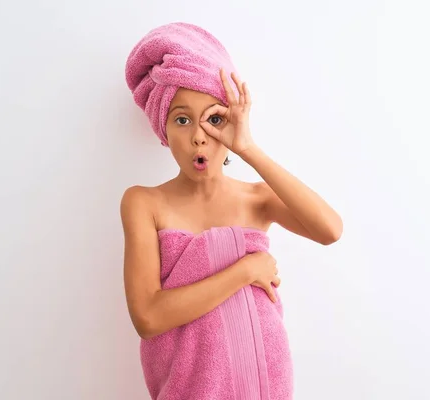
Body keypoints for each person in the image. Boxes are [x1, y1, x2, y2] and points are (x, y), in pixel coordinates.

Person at [120, 22, 342, 400]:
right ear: (164, 128)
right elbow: (149, 318)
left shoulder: (257, 199)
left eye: (215, 119)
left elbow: (330, 230)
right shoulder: (144, 202)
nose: (198, 136)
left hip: (265, 383)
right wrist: (245, 270)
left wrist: (248, 148)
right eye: (182, 119)